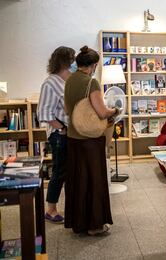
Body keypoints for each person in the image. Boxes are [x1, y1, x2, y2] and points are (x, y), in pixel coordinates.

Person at [64, 46, 119, 236]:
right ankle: (95, 225)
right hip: (90, 139)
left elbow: (66, 110)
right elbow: (102, 112)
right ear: (93, 65)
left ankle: (78, 223)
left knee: (78, 180)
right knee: (94, 181)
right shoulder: (91, 83)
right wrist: (114, 110)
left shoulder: (69, 80)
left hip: (73, 137)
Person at [37, 46, 76, 223]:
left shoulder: (66, 80)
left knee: (68, 172)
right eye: (72, 59)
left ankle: (69, 207)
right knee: (59, 171)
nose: (75, 62)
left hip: (69, 133)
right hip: (59, 134)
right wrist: (61, 128)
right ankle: (51, 210)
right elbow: (44, 113)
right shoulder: (50, 83)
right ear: (64, 61)